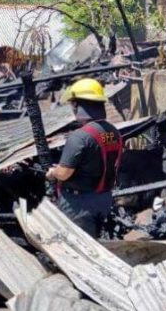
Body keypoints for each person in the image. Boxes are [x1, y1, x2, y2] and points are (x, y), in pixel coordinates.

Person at [45, 78, 123, 237]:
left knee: (77, 246)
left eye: (73, 104)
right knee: (93, 240)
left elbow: (63, 173)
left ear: (77, 105)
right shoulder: (114, 132)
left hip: (79, 204)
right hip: (104, 198)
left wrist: (52, 172)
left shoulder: (79, 137)